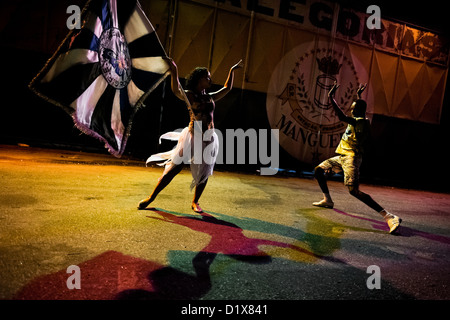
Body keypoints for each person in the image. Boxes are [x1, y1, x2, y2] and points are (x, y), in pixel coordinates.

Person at [138, 57, 244, 213]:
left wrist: (231, 71)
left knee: (204, 171)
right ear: (199, 79)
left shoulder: (209, 96)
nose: (210, 79)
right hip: (193, 136)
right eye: (207, 77)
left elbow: (227, 88)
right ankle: (151, 197)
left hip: (209, 138)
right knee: (175, 168)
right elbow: (176, 90)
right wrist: (174, 70)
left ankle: (195, 202)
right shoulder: (190, 95)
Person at [312, 82, 402, 234]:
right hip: (342, 157)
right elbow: (359, 109)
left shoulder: (360, 121)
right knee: (318, 170)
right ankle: (327, 200)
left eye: (353, 107)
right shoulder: (358, 120)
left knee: (353, 191)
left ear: (358, 110)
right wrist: (359, 97)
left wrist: (331, 96)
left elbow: (341, 116)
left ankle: (389, 216)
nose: (351, 109)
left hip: (351, 158)